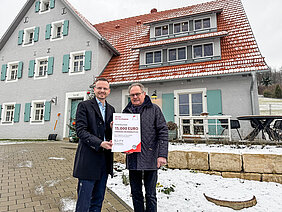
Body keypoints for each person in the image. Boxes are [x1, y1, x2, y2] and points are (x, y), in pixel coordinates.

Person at [123, 83, 168, 212]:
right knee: (136, 194)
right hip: (133, 158)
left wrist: (162, 154)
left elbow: (163, 132)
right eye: (132, 95)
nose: (135, 97)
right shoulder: (126, 111)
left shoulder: (154, 109)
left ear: (144, 94)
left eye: (137, 94)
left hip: (150, 157)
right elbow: (123, 136)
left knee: (151, 195)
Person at [73, 77, 115, 212]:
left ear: (109, 91)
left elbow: (107, 132)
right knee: (84, 201)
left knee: (98, 200)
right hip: (88, 159)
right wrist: (100, 143)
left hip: (104, 160)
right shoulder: (84, 106)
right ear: (94, 89)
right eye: (99, 88)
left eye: (105, 88)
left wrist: (113, 129)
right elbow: (80, 131)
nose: (102, 91)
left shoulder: (111, 109)